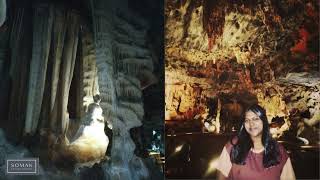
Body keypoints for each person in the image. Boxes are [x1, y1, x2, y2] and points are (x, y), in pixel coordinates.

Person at [216, 104, 295, 180]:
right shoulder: (233, 147)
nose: (251, 123)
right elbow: (221, 176)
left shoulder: (278, 151)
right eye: (247, 120)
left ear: (264, 121)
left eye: (256, 119)